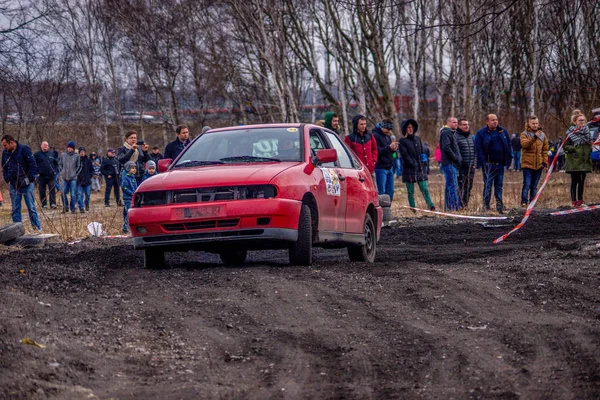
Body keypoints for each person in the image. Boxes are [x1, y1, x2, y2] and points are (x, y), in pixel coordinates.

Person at [1, 135, 41, 231]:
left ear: (11, 142)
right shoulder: (5, 153)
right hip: (13, 185)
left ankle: (37, 229)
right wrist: (8, 179)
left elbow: (33, 165)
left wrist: (30, 179)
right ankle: (17, 231)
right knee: (15, 209)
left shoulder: (24, 149)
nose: (4, 147)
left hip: (26, 184)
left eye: (5, 145)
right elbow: (4, 167)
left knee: (31, 208)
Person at [474, 114, 512, 213]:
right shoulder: (481, 133)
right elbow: (478, 149)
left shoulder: (502, 131)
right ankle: (486, 205)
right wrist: (483, 163)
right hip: (488, 164)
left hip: (500, 164)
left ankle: (499, 205)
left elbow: (508, 145)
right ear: (487, 121)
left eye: (496, 119)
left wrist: (509, 158)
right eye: (492, 120)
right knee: (488, 185)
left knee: (499, 186)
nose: (495, 121)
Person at [398, 119, 435, 211]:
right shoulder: (402, 141)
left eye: (412, 127)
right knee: (410, 191)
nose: (410, 129)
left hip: (420, 167)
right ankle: (412, 207)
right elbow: (404, 155)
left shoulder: (418, 139)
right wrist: (412, 163)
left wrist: (424, 160)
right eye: (408, 127)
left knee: (424, 188)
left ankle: (431, 206)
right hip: (409, 168)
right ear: (405, 129)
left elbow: (422, 152)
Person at [564, 110, 592, 207]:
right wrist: (574, 149)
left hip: (584, 161)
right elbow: (565, 146)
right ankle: (574, 201)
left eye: (583, 120)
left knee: (582, 181)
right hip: (574, 162)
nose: (582, 122)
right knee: (574, 181)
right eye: (580, 120)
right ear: (575, 121)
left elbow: (589, 144)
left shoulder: (587, 133)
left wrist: (590, 148)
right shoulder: (571, 133)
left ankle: (580, 200)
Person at [520, 115, 548, 207]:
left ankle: (533, 203)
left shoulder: (543, 135)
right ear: (529, 123)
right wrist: (534, 137)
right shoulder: (524, 134)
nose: (535, 125)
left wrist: (545, 161)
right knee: (527, 184)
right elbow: (525, 145)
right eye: (533, 123)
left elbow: (545, 149)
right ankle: (524, 202)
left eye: (536, 123)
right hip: (527, 164)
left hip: (538, 164)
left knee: (534, 186)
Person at [344, 115, 377, 185]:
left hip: (370, 170)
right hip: (358, 172)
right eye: (361, 124)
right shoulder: (349, 138)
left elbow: (374, 149)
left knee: (374, 191)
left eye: (365, 124)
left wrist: (373, 160)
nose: (364, 126)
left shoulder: (370, 136)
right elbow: (347, 154)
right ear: (356, 125)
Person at [439, 117, 462, 211]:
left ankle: (448, 207)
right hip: (450, 163)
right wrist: (455, 158)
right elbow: (446, 147)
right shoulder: (446, 132)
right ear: (448, 123)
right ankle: (454, 207)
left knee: (449, 186)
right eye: (454, 122)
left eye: (457, 122)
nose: (456, 124)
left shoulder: (451, 133)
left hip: (451, 163)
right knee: (453, 186)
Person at [373, 118, 398, 201]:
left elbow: (389, 150)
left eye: (390, 129)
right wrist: (389, 147)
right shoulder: (375, 136)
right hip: (380, 168)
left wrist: (393, 150)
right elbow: (377, 151)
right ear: (382, 126)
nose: (388, 131)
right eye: (387, 129)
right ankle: (382, 211)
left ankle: (387, 210)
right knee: (382, 192)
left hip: (389, 167)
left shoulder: (388, 137)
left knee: (390, 191)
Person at [455, 118, 477, 208]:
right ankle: (460, 204)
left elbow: (475, 151)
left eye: (467, 124)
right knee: (461, 186)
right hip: (462, 167)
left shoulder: (470, 137)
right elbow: (456, 152)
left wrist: (475, 163)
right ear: (459, 126)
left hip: (471, 166)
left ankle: (465, 204)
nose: (466, 126)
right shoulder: (456, 137)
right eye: (464, 124)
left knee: (469, 186)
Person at [33, 141, 59, 209]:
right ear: (41, 146)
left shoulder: (51, 154)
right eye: (44, 145)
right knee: (42, 190)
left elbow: (56, 163)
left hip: (51, 176)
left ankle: (53, 204)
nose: (45, 146)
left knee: (52, 189)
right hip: (41, 176)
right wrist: (36, 173)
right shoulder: (37, 155)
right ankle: (43, 204)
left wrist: (55, 171)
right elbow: (33, 164)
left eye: (47, 145)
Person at [58, 141, 82, 214]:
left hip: (73, 178)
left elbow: (79, 166)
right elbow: (59, 164)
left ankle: (73, 208)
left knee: (73, 194)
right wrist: (61, 171)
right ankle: (65, 207)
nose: (69, 149)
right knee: (62, 192)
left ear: (73, 149)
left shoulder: (77, 156)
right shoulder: (63, 155)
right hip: (64, 177)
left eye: (71, 148)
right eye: (68, 147)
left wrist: (75, 173)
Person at [121, 161, 138, 233]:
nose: (134, 169)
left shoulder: (133, 178)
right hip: (128, 198)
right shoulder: (126, 178)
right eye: (132, 168)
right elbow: (124, 187)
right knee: (129, 213)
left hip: (133, 197)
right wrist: (131, 193)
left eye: (135, 168)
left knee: (128, 212)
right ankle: (125, 227)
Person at [76, 147, 94, 212]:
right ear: (79, 153)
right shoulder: (77, 160)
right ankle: (81, 207)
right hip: (79, 181)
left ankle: (87, 204)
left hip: (87, 181)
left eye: (83, 152)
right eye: (81, 152)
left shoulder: (88, 160)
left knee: (88, 195)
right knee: (80, 195)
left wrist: (90, 176)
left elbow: (92, 170)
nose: (82, 153)